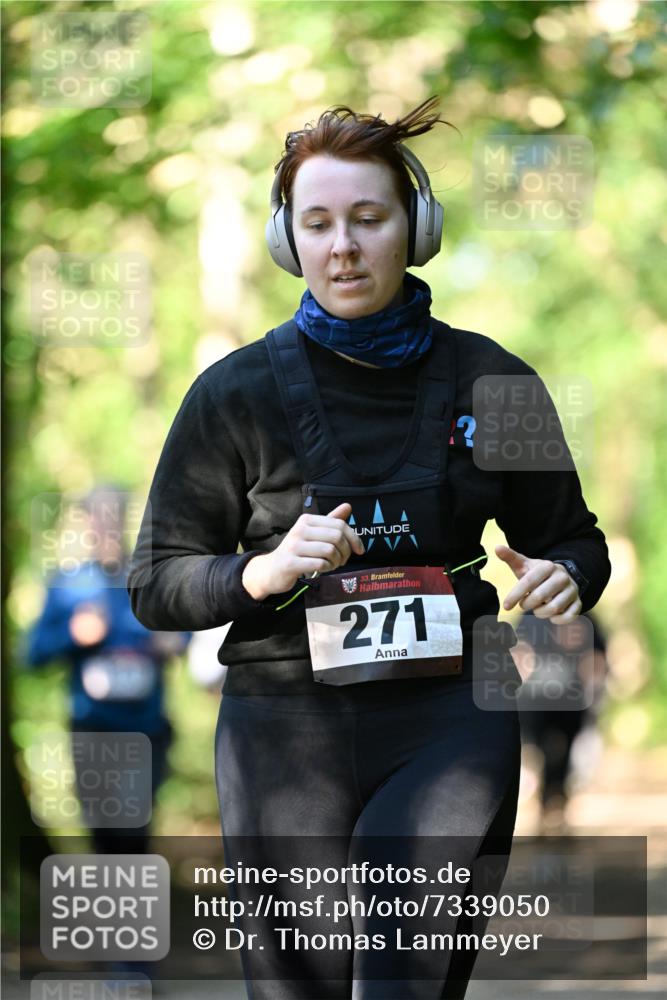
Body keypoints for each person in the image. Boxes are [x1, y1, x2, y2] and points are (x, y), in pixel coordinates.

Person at [127, 97, 611, 999]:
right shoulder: (231, 395)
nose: (342, 245)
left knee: (406, 984)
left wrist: (565, 575)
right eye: (317, 224)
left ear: (414, 229)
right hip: (279, 732)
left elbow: (572, 540)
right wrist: (261, 570)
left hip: (450, 721)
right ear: (290, 242)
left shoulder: (494, 379)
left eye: (367, 218)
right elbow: (156, 583)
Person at [26, 484, 188, 857]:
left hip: (146, 728)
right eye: (98, 516)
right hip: (93, 728)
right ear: (85, 522)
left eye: (114, 515)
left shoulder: (150, 579)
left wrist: (174, 642)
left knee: (134, 830)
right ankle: (109, 911)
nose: (106, 525)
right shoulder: (68, 584)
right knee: (103, 833)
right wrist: (73, 634)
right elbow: (33, 654)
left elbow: (186, 632)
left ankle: (134, 911)